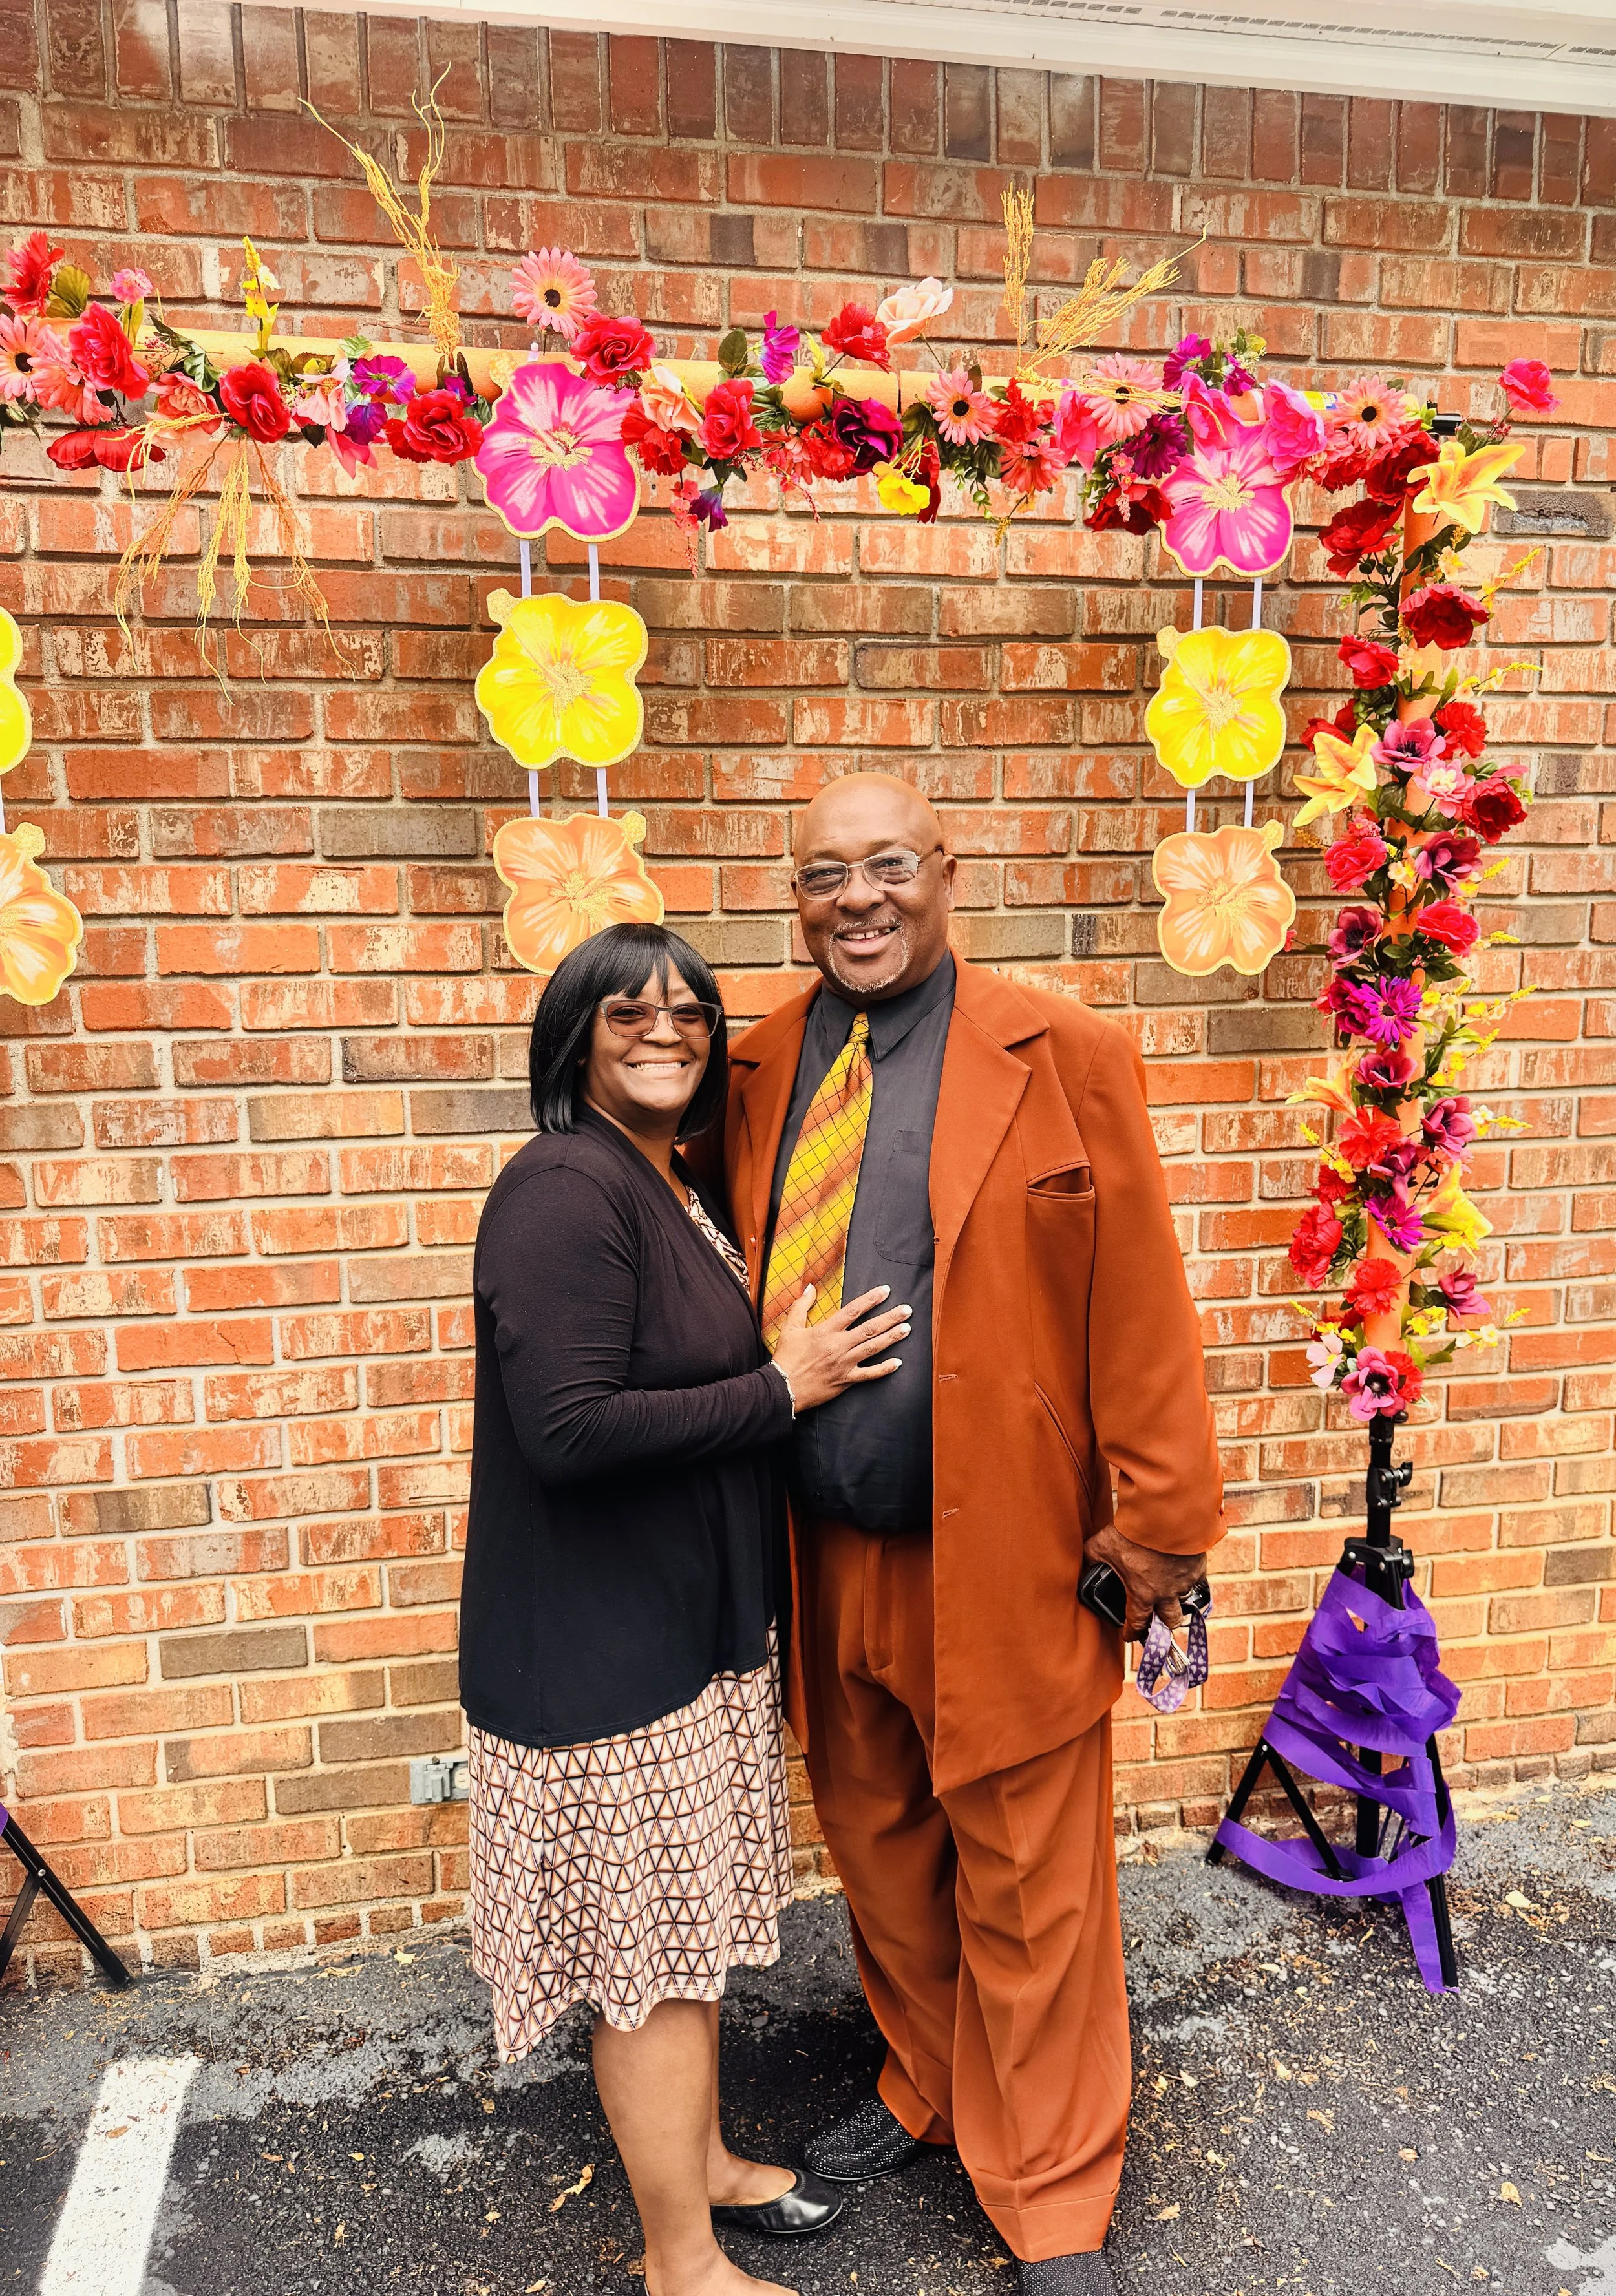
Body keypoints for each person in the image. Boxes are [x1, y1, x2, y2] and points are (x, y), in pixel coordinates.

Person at [715, 775, 1224, 2296]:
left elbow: (1138, 1303)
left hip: (1001, 1552)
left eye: (885, 867)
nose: (855, 899)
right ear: (791, 897)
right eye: (822, 875)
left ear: (946, 870)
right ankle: (930, 2085)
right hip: (822, 1555)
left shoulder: (1062, 1052)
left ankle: (1057, 2193)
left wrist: (1161, 1533)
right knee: (879, 1850)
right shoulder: (753, 1063)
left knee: (1029, 1877)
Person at [460, 920, 913, 2296]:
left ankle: (701, 2161)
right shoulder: (561, 1187)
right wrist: (786, 1389)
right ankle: (680, 2262)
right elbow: (569, 1431)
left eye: (689, 1017)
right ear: (572, 1041)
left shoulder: (663, 1184)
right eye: (627, 1017)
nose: (666, 1035)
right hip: (605, 1664)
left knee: (690, 1934)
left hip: (682, 1643)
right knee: (649, 1965)